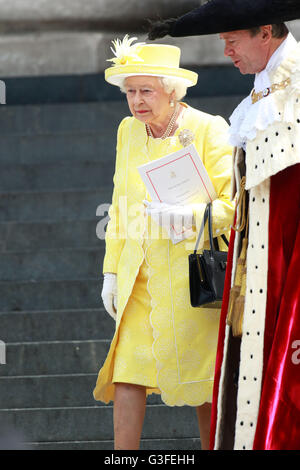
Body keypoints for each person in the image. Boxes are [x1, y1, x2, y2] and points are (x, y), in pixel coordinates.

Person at [148, 0, 300, 451]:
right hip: (258, 256)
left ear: (265, 34)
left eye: (232, 40)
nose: (228, 51)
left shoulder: (295, 86)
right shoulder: (262, 88)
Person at [93, 34, 234, 450]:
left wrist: (187, 216)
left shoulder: (209, 129)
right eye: (130, 92)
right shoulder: (128, 132)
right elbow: (119, 202)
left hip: (192, 279)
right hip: (141, 277)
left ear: (172, 93)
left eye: (146, 91)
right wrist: (111, 272)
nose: (136, 101)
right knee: (127, 371)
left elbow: (232, 208)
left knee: (204, 381)